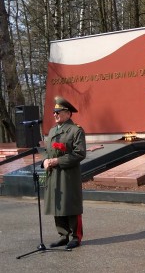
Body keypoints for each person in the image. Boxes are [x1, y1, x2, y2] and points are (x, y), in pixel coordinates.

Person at [44, 96, 87, 250]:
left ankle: (76, 237)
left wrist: (57, 161)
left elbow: (79, 153)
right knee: (58, 203)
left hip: (68, 175)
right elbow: (48, 151)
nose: (55, 114)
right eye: (54, 112)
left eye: (58, 111)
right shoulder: (51, 130)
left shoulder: (76, 130)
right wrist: (45, 161)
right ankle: (63, 235)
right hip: (54, 175)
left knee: (71, 204)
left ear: (68, 113)